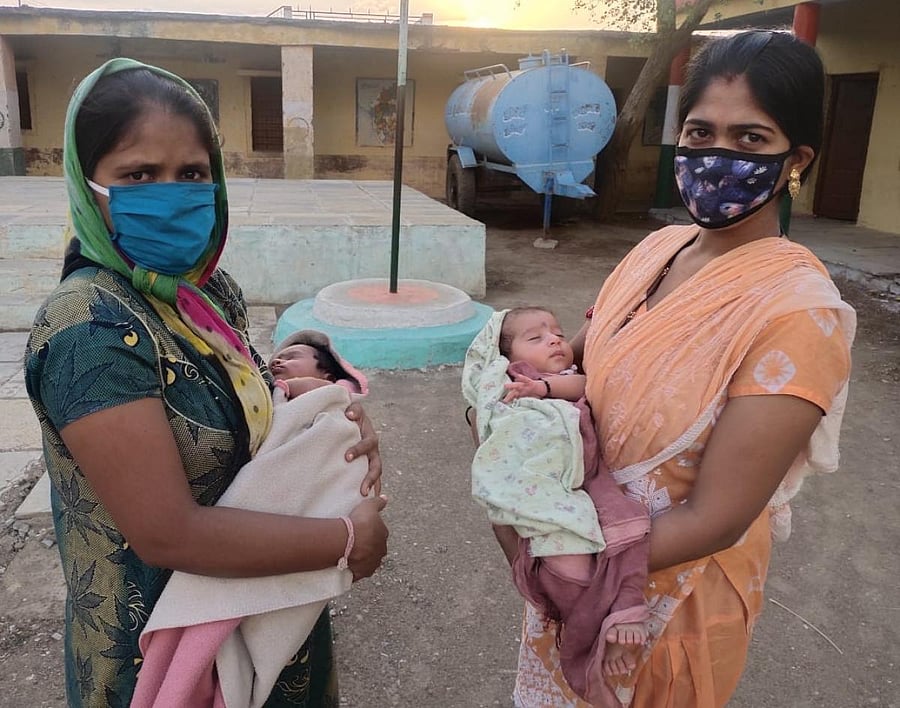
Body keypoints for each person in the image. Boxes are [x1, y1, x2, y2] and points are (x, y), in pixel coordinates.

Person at [491, 31, 856, 707]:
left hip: (658, 605)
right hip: (575, 559)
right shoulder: (657, 249)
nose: (718, 157)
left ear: (796, 159)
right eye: (701, 132)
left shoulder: (799, 314)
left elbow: (714, 518)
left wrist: (551, 556)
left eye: (750, 139)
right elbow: (575, 363)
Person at [24, 58, 388, 708]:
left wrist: (330, 423)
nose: (173, 193)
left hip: (266, 605)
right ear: (89, 185)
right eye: (140, 175)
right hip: (166, 660)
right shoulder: (89, 330)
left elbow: (249, 411)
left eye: (191, 174)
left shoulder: (205, 290)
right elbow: (167, 532)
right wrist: (348, 541)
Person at [463, 307, 650, 703]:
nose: (553, 340)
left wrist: (549, 386)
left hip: (588, 472)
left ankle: (626, 609)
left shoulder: (559, 380)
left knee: (629, 523)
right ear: (508, 357)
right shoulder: (513, 379)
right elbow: (495, 425)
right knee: (569, 562)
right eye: (536, 338)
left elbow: (586, 383)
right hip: (547, 480)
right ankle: (589, 655)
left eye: (558, 333)